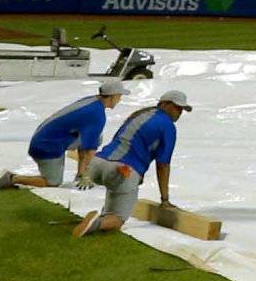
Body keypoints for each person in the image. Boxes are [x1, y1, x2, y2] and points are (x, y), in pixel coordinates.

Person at [74, 88, 191, 237]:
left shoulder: (138, 115)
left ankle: (103, 216)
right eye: (177, 107)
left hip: (97, 163)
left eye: (182, 109)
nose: (179, 112)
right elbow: (163, 165)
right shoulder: (168, 127)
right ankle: (96, 223)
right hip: (124, 170)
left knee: (115, 191)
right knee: (117, 219)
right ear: (164, 104)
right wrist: (165, 199)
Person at [0, 78, 127, 190]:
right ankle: (12, 178)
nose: (119, 99)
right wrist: (88, 174)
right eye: (119, 96)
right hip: (46, 147)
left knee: (96, 137)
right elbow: (89, 149)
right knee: (53, 182)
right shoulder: (96, 114)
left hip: (45, 138)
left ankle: (79, 174)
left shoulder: (92, 101)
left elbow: (89, 141)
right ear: (113, 96)